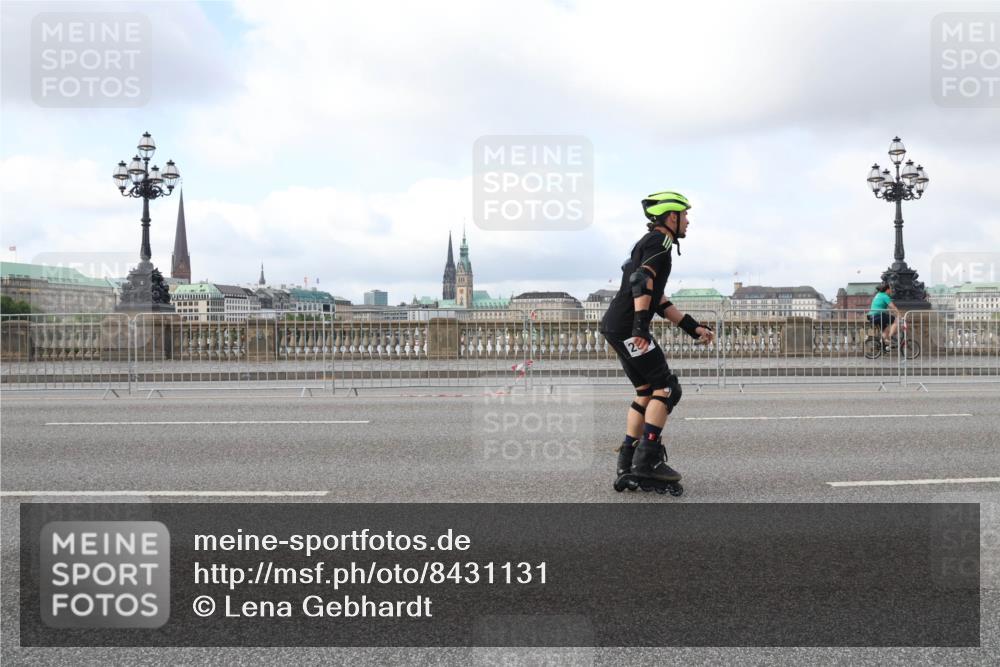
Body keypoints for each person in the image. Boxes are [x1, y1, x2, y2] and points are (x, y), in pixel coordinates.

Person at [600, 191, 715, 494]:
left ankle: (627, 461)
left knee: (645, 391)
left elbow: (658, 299)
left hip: (615, 326)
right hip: (628, 327)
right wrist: (639, 327)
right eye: (685, 215)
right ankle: (647, 462)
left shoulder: (645, 243)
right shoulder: (659, 243)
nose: (688, 221)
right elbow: (641, 282)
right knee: (666, 388)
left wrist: (693, 327)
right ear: (670, 217)